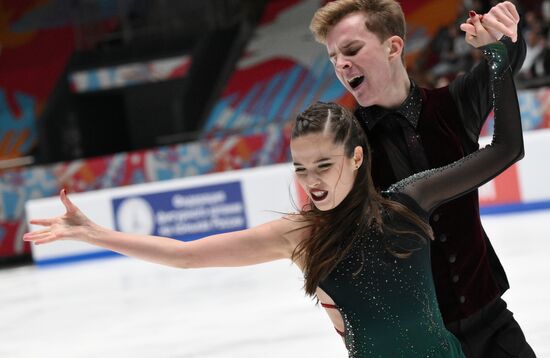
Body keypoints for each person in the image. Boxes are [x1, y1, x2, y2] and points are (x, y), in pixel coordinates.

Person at [25, 23, 521, 356]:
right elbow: (185, 255)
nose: (312, 180)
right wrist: (93, 233)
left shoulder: (409, 199)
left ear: (356, 157)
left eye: (323, 164)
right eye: (301, 168)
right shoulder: (302, 235)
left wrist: (498, 53)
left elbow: (503, 151)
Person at [310, 0, 535, 357]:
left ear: (393, 47)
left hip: (493, 326)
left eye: (351, 49)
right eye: (333, 57)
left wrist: (503, 31)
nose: (340, 63)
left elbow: (505, 62)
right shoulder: (347, 146)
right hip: (419, 345)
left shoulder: (453, 104)